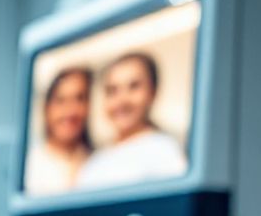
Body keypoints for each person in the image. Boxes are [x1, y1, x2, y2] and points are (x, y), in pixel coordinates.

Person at [77, 52, 187, 190]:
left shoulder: (165, 151)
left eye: (134, 86)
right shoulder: (93, 163)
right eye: (112, 90)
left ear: (152, 92)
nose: (122, 100)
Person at [24, 67, 93, 195]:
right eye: (61, 101)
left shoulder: (97, 161)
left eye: (79, 99)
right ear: (46, 108)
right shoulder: (29, 165)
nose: (70, 111)